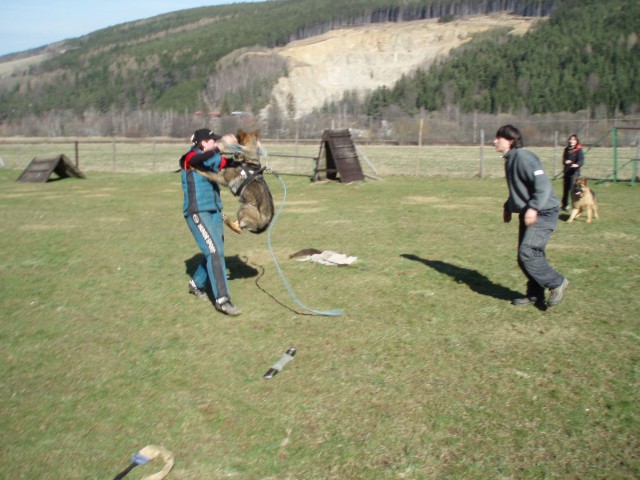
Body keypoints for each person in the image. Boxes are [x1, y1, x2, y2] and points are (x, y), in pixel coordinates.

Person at [494, 124, 569, 308]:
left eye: (498, 138)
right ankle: (535, 295)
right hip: (530, 211)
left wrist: (533, 208)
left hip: (543, 211)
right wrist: (508, 207)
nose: (494, 141)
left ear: (510, 141)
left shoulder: (524, 157)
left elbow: (542, 185)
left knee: (528, 252)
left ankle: (557, 282)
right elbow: (520, 189)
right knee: (525, 257)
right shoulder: (510, 160)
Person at [179, 128, 241, 316]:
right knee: (214, 251)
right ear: (203, 142)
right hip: (198, 212)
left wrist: (243, 155)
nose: (215, 143)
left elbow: (227, 163)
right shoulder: (190, 158)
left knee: (215, 250)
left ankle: (196, 284)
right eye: (212, 140)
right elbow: (200, 159)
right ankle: (222, 300)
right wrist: (222, 145)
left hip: (214, 211)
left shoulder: (212, 157)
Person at [561, 134, 585, 211]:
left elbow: (581, 160)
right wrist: (565, 161)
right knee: (565, 190)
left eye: (573, 139)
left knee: (573, 191)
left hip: (574, 174)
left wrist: (577, 164)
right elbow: (564, 159)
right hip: (567, 172)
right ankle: (564, 205)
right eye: (570, 139)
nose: (571, 141)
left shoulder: (579, 150)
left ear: (576, 141)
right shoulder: (566, 149)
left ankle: (574, 206)